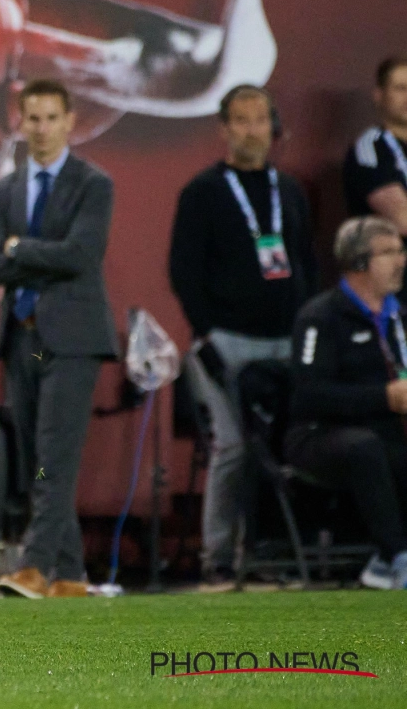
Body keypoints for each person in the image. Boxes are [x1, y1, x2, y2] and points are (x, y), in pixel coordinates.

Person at [169, 84, 318, 591]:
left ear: (272, 127)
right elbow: (183, 272)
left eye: (260, 120)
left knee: (284, 450)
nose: (253, 130)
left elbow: (305, 263)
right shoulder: (203, 192)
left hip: (287, 341)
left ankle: (269, 551)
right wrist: (205, 334)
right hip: (227, 341)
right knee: (233, 447)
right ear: (224, 128)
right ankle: (219, 558)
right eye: (241, 120)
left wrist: (306, 330)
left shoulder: (290, 190)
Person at [0, 79, 117, 599]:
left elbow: (82, 255)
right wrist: (33, 252)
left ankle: (35, 567)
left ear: (70, 120)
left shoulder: (93, 183)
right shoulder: (5, 189)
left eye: (49, 118)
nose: (40, 128)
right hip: (22, 338)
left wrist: (20, 248)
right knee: (39, 453)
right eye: (31, 118)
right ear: (21, 122)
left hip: (73, 340)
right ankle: (71, 575)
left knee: (52, 457)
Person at [288, 217, 407, 590]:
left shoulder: (399, 315)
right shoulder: (320, 317)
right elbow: (309, 393)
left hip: (383, 432)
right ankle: (398, 555)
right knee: (366, 448)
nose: (401, 260)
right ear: (357, 263)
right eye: (388, 252)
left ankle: (383, 563)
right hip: (317, 434)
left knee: (383, 448)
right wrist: (384, 397)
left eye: (401, 250)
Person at [343, 57, 407, 287]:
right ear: (379, 95)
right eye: (400, 88)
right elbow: (402, 218)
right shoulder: (371, 147)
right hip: (390, 288)